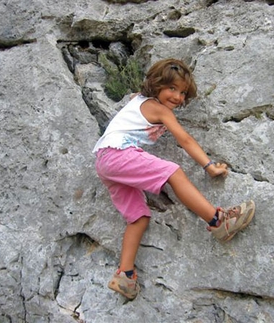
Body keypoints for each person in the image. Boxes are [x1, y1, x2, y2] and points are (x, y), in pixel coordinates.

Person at [93, 58, 255, 300]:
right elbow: (184, 139)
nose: (178, 97)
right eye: (172, 88)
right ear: (156, 84)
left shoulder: (139, 100)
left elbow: (134, 98)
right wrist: (209, 166)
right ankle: (218, 220)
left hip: (105, 162)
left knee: (138, 216)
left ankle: (124, 275)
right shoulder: (158, 109)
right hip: (118, 154)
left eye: (182, 93)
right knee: (172, 171)